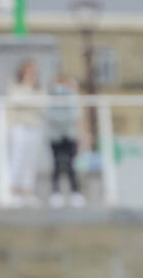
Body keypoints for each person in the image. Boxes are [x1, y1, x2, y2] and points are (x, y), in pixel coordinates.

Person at [6, 59, 44, 205]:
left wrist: (29, 97)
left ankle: (28, 192)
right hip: (19, 125)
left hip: (34, 126)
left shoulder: (39, 87)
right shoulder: (15, 86)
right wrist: (29, 90)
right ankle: (14, 190)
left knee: (31, 160)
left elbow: (42, 104)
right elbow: (16, 101)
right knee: (18, 157)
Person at [46, 76, 85, 208]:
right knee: (57, 164)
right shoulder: (52, 98)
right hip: (56, 136)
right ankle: (56, 193)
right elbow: (50, 115)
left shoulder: (72, 98)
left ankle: (75, 192)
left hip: (70, 135)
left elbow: (76, 116)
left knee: (71, 165)